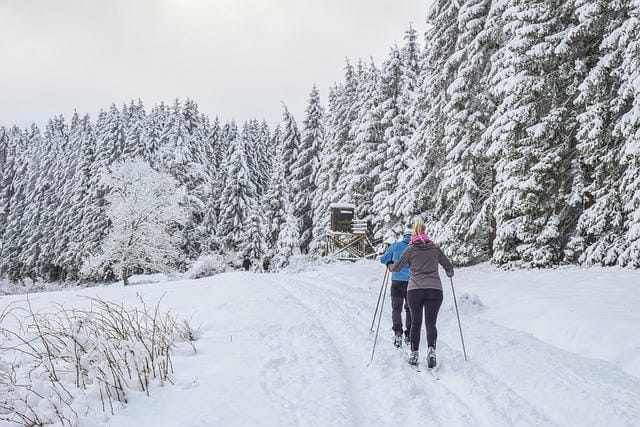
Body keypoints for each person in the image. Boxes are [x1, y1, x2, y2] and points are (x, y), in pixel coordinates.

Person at [388, 220, 453, 369]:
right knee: (431, 323)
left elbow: (397, 268)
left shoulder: (410, 249)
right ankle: (431, 350)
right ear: (425, 232)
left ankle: (414, 353)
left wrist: (389, 265)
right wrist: (449, 272)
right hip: (435, 290)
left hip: (415, 290)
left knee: (416, 323)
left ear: (414, 233)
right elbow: (448, 266)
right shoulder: (435, 248)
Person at [380, 226, 413, 348]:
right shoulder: (415, 247)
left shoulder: (397, 245)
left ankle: (398, 332)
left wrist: (389, 263)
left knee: (396, 308)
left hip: (397, 281)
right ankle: (409, 334)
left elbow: (383, 259)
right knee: (410, 309)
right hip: (412, 282)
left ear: (404, 236)